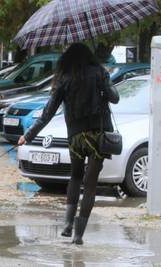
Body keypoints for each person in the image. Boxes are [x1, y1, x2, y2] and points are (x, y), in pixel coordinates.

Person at [18, 43, 119, 245]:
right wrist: (105, 83)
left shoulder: (65, 78)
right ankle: (79, 236)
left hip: (75, 136)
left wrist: (27, 136)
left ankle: (67, 224)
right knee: (90, 185)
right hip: (97, 135)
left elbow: (47, 113)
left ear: (68, 59)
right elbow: (114, 98)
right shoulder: (99, 72)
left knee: (75, 176)